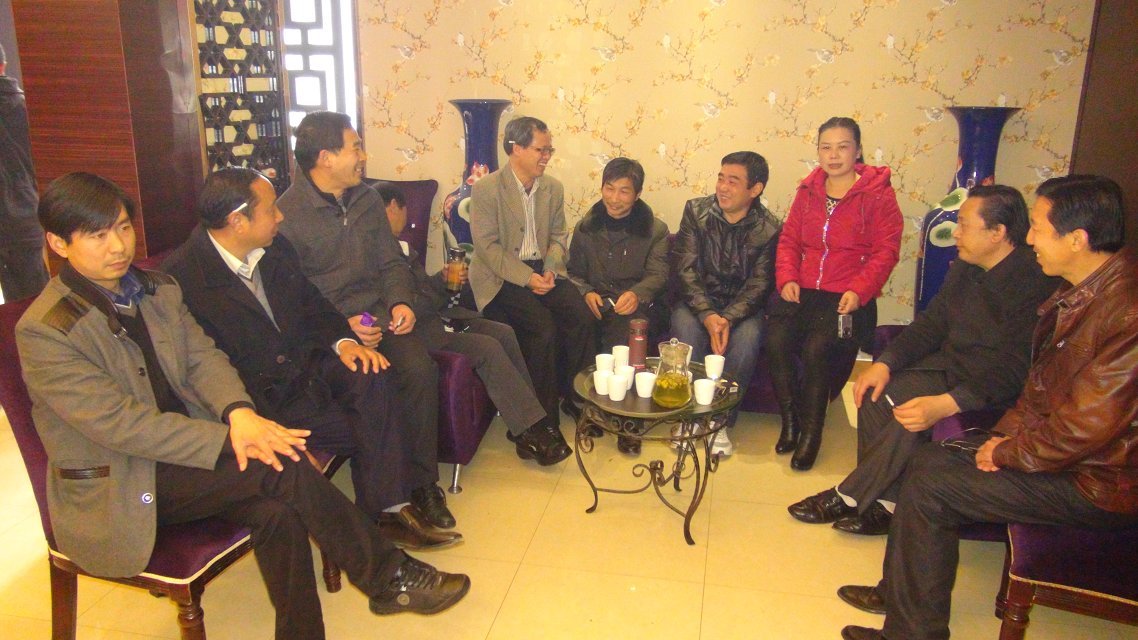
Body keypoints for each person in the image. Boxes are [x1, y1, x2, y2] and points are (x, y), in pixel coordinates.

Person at [16, 172, 470, 640]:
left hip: (189, 451)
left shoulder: (154, 289)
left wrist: (239, 412)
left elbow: (202, 358)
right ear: (58, 243)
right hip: (126, 478)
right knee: (281, 464)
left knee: (278, 509)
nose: (118, 246)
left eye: (124, 228)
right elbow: (122, 426)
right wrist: (232, 435)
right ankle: (387, 576)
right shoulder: (46, 330)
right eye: (98, 235)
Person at [839, 175, 1138, 640]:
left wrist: (1004, 451)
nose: (1029, 239)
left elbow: (1084, 429)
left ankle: (910, 630)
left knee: (932, 485)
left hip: (1097, 480)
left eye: (1037, 228)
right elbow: (1039, 387)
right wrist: (1002, 437)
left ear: (1077, 239)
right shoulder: (1082, 290)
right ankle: (903, 607)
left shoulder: (1124, 315)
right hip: (1064, 454)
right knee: (926, 463)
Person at [163, 168, 461, 548]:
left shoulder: (274, 248)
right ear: (238, 221)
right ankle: (384, 515)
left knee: (374, 373)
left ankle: (387, 512)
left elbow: (313, 304)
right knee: (381, 420)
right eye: (271, 209)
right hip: (261, 400)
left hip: (307, 368)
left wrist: (344, 342)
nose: (280, 216)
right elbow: (198, 367)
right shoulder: (182, 279)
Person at [788, 185, 1059, 535]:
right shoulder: (966, 266)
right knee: (874, 394)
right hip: (950, 367)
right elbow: (931, 323)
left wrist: (948, 403)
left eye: (964, 225)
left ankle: (849, 495)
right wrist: (884, 363)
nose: (955, 233)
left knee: (909, 415)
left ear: (997, 232)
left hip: (991, 387)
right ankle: (885, 504)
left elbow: (1015, 368)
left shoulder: (1035, 281)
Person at [377, 184, 569, 465]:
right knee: (487, 348)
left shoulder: (403, 248)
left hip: (438, 318)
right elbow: (409, 306)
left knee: (503, 332)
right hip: (418, 334)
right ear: (394, 207)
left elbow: (423, 291)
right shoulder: (379, 257)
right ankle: (531, 431)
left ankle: (529, 425)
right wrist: (437, 289)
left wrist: (443, 280)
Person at [766, 117, 904, 471]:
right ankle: (791, 422)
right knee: (776, 339)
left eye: (843, 147)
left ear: (857, 151)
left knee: (818, 349)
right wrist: (787, 278)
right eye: (826, 147)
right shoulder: (808, 190)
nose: (833, 155)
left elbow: (886, 252)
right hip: (805, 290)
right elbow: (789, 241)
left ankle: (811, 434)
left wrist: (859, 290)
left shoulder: (878, 194)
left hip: (847, 295)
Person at [468, 115, 598, 426]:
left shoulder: (553, 188)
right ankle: (542, 420)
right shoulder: (486, 189)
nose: (547, 157)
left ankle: (577, 401)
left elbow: (558, 236)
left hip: (544, 269)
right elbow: (487, 248)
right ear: (516, 148)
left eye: (549, 150)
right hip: (501, 275)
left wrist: (551, 268)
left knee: (582, 317)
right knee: (543, 330)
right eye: (541, 150)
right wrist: (527, 279)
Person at [671, 151, 781, 456]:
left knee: (747, 341)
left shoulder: (769, 228)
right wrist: (707, 314)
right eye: (721, 178)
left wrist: (728, 318)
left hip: (742, 309)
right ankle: (688, 416)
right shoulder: (696, 211)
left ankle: (718, 421)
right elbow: (685, 269)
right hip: (697, 302)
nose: (723, 187)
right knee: (685, 331)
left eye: (733, 181)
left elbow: (760, 284)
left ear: (755, 189)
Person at [567, 157, 670, 351]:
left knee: (626, 330)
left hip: (634, 306)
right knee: (576, 323)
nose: (614, 199)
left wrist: (636, 294)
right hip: (597, 302)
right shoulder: (585, 228)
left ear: (637, 194)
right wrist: (586, 292)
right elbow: (572, 272)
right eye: (609, 188)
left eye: (624, 191)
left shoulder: (656, 231)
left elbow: (658, 275)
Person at [0, 43, 49, 302]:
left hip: (20, 220)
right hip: (24, 217)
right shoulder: (28, 109)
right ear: (4, 66)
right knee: (34, 300)